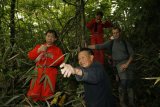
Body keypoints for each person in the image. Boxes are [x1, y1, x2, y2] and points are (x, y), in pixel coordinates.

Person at [88, 27, 135, 107]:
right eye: (114, 33)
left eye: (117, 32)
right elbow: (100, 46)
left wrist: (127, 64)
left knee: (130, 83)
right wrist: (87, 46)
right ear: (112, 34)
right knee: (124, 81)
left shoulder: (124, 42)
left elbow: (132, 54)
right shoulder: (111, 42)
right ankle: (122, 102)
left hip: (128, 63)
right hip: (119, 64)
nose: (115, 34)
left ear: (120, 33)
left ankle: (131, 102)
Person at [27, 30, 64, 101]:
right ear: (45, 37)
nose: (50, 38)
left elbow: (61, 60)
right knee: (35, 87)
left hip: (50, 70)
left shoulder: (57, 49)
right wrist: (38, 50)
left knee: (48, 88)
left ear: (55, 39)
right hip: (38, 69)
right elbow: (30, 56)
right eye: (48, 36)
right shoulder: (39, 46)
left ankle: (46, 101)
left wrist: (51, 56)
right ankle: (32, 101)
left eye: (52, 37)